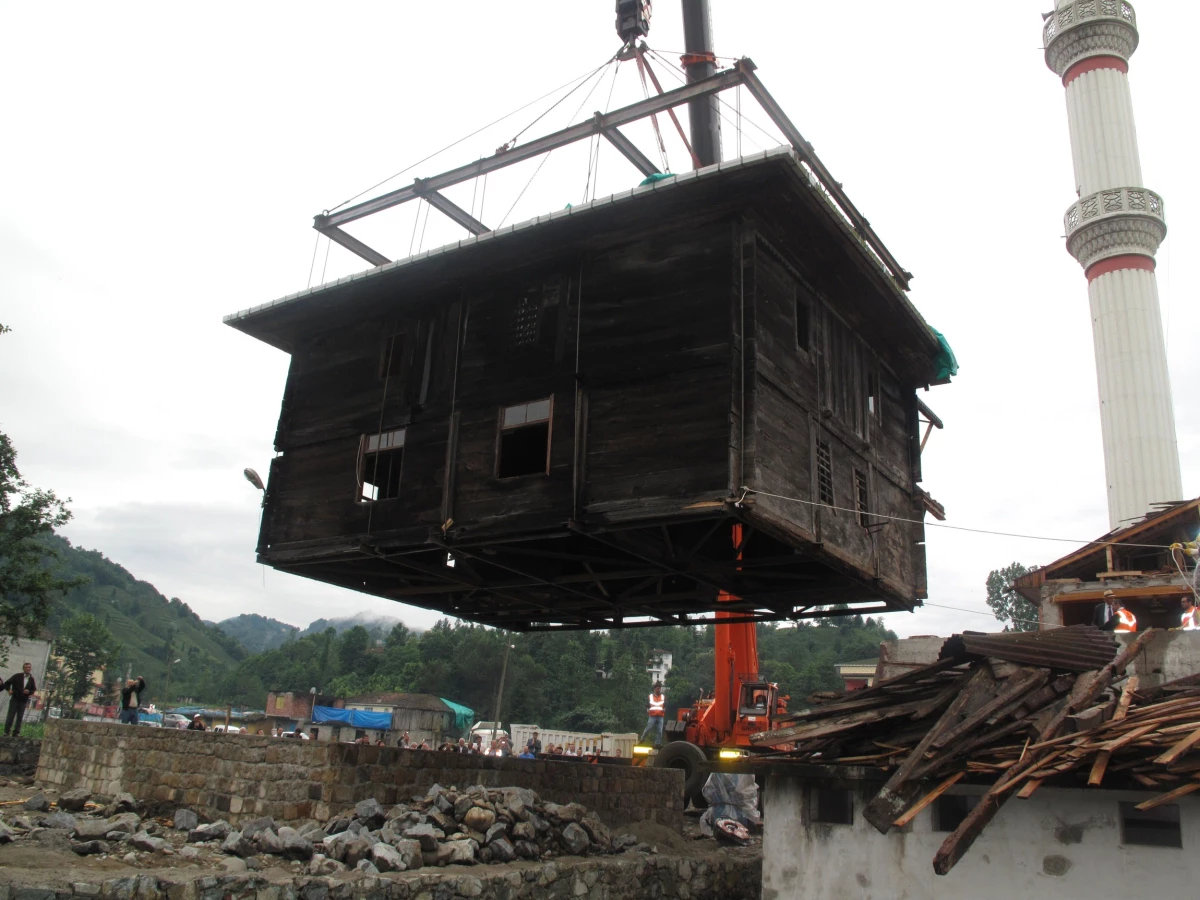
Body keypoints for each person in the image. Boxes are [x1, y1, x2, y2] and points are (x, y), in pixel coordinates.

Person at [3, 662, 37, 737]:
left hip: (23, 700)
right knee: (11, 716)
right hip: (15, 698)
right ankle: (6, 732)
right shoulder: (17, 676)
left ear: (30, 669)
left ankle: (16, 732)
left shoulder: (31, 679)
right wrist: (9, 690)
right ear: (23, 668)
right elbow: (7, 683)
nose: (28, 669)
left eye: (29, 667)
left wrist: (29, 691)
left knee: (20, 717)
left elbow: (33, 689)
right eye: (26, 667)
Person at [640, 681, 666, 747]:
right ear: (654, 689)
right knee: (648, 728)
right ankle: (642, 739)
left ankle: (658, 743)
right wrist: (647, 710)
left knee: (659, 730)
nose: (659, 689)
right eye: (657, 688)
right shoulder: (650, 696)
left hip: (660, 716)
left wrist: (665, 709)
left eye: (659, 688)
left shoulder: (663, 696)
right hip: (652, 716)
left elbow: (665, 705)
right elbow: (646, 705)